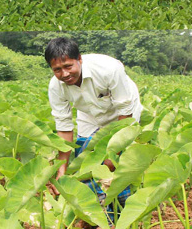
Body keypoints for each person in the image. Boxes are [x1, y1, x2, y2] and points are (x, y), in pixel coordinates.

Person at [45, 37, 143, 220]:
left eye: (68, 66)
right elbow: (64, 128)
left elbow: (125, 113)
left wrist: (113, 155)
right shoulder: (55, 87)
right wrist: (61, 169)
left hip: (122, 113)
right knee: (87, 161)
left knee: (114, 164)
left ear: (79, 59)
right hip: (89, 116)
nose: (64, 74)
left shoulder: (109, 69)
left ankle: (123, 212)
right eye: (57, 69)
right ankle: (100, 217)